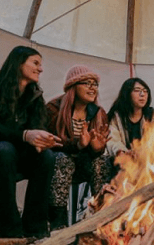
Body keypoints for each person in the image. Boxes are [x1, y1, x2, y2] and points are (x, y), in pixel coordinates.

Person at [0, 46, 61, 239]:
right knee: (4, 149)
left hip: (16, 152)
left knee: (46, 156)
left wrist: (43, 140)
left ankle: (35, 229)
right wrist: (25, 135)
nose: (40, 69)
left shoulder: (34, 95)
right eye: (35, 63)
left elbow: (38, 127)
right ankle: (8, 232)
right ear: (18, 63)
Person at [46, 65, 109, 230]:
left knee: (101, 161)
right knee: (63, 160)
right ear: (73, 87)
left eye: (95, 84)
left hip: (84, 165)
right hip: (57, 164)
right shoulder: (54, 108)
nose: (92, 88)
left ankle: (102, 215)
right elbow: (51, 143)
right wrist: (78, 144)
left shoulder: (99, 113)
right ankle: (57, 223)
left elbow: (97, 149)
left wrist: (96, 149)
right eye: (86, 83)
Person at [106, 78, 154, 159]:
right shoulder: (117, 116)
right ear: (127, 93)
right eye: (137, 90)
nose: (142, 94)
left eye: (145, 91)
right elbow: (113, 140)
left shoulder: (150, 115)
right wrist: (122, 151)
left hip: (145, 160)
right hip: (123, 160)